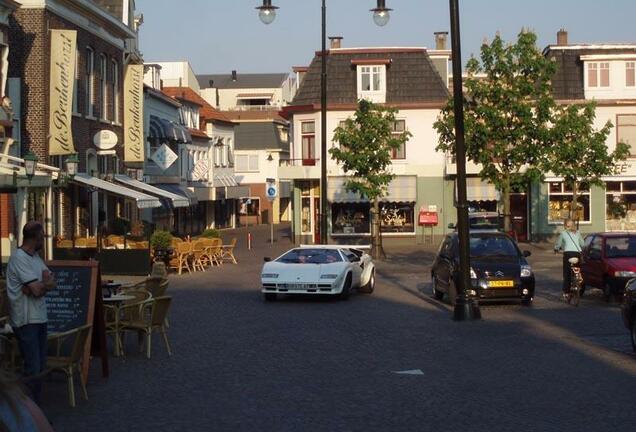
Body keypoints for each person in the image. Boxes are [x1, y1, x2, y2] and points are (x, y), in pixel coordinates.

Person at [5, 222, 56, 405]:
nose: (44, 240)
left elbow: (51, 281)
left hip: (40, 317)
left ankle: (34, 408)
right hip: (26, 321)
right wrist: (39, 287)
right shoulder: (19, 258)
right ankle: (28, 409)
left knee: (40, 366)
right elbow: (36, 289)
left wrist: (40, 286)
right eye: (42, 236)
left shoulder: (36, 258)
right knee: (32, 368)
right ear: (34, 238)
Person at [554, 219, 585, 297]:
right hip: (578, 253)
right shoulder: (577, 233)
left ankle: (566, 292)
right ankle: (579, 278)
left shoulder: (563, 233)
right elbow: (583, 244)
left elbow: (558, 244)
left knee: (567, 273)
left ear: (565, 226)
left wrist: (556, 249)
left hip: (568, 254)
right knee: (578, 269)